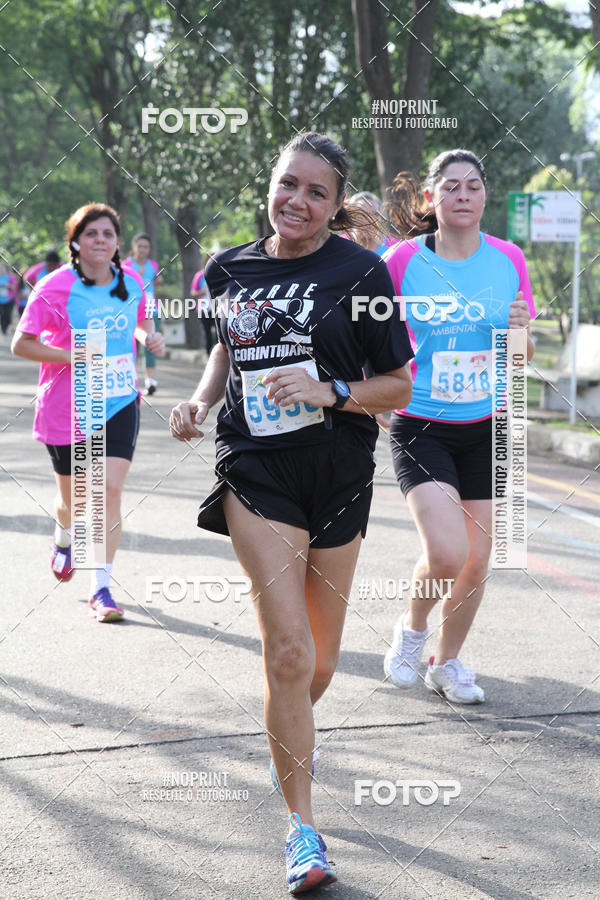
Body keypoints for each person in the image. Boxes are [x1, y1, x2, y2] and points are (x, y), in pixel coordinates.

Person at [170, 131, 413, 895]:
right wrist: (201, 401)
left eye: (316, 192)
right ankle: (302, 830)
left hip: (338, 472)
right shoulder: (228, 269)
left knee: (320, 663)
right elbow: (226, 348)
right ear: (269, 185)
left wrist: (331, 392)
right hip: (256, 469)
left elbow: (399, 383)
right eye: (287, 184)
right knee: (287, 654)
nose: (297, 201)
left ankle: (285, 730)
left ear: (336, 205)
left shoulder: (363, 272)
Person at [382, 149, 535, 703]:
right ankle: (412, 630)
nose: (462, 195)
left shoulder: (508, 259)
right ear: (431, 197)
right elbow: (370, 334)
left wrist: (519, 333)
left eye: (473, 186)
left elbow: (521, 355)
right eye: (451, 186)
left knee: (475, 561)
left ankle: (446, 664)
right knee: (447, 553)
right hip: (421, 424)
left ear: (485, 196)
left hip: (486, 427)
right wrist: (374, 392)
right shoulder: (401, 261)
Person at [12, 203, 164, 622]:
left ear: (117, 243)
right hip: (68, 406)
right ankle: (63, 535)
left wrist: (148, 338)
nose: (100, 240)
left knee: (108, 490)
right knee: (75, 501)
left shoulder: (132, 280)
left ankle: (101, 587)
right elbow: (21, 344)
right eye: (91, 233)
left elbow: (141, 321)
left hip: (119, 399)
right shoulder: (54, 285)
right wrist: (72, 355)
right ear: (76, 242)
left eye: (108, 234)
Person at [124, 233, 163, 395]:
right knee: (131, 346)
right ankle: (130, 380)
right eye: (140, 246)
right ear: (134, 247)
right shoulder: (126, 265)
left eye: (146, 247)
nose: (143, 249)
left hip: (150, 308)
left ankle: (150, 381)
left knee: (151, 344)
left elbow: (157, 281)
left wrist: (158, 280)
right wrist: (138, 276)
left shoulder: (153, 265)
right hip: (131, 308)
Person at [190, 256, 216, 352]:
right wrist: (203, 291)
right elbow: (193, 293)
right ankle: (208, 355)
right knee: (207, 334)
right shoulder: (200, 275)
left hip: (218, 308)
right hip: (204, 309)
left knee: (220, 334)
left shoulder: (220, 273)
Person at [0, 262, 13, 337]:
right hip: (0, 301)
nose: (1, 269)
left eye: (2, 268)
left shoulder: (9, 277)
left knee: (8, 315)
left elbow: (14, 287)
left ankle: (7, 327)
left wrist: (8, 286)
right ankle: (3, 330)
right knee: (2, 315)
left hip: (9, 300)